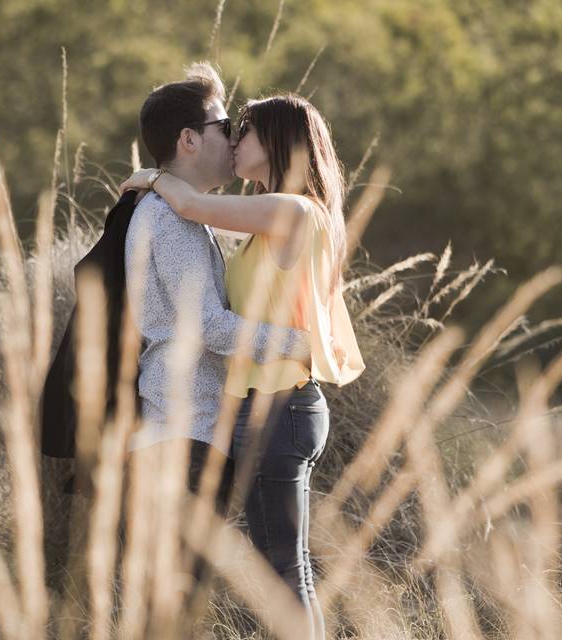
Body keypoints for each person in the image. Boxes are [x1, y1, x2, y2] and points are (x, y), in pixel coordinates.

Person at [119, 92, 366, 640]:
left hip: (280, 409)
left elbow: (189, 209)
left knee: (284, 570)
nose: (234, 140)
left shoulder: (293, 210)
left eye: (245, 129)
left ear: (277, 142)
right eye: (229, 127)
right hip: (276, 408)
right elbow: (193, 228)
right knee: (285, 567)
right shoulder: (270, 217)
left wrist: (153, 178)